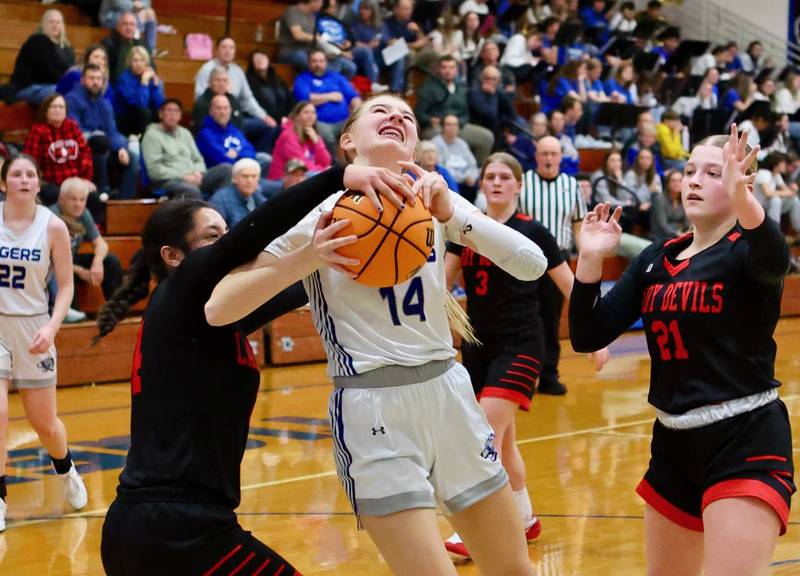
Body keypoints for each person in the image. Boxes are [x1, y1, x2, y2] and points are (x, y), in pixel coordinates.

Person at [205, 94, 550, 576]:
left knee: (515, 570)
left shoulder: (433, 198)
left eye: (408, 115)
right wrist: (308, 259)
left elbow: (533, 265)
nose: (397, 117)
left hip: (448, 393)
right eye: (381, 111)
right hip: (372, 407)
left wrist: (454, 215)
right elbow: (219, 309)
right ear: (348, 140)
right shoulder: (319, 212)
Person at [97, 156, 416, 574]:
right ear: (174, 256)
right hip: (179, 530)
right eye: (213, 236)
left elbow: (296, 286)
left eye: (226, 231)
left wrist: (369, 246)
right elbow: (258, 231)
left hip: (156, 526)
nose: (227, 242)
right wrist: (339, 176)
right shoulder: (182, 293)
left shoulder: (211, 317)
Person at [570, 125, 795, 575]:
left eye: (713, 173)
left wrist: (745, 201)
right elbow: (588, 334)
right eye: (689, 170)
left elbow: (776, 258)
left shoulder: (746, 253)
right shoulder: (656, 258)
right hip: (673, 443)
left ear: (740, 182)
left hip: (744, 436)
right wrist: (590, 260)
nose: (693, 180)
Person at [443, 152, 609, 558]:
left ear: (519, 185)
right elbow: (439, 286)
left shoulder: (533, 231)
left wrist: (597, 335)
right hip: (477, 347)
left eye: (505, 177)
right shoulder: (464, 230)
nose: (497, 182)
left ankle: (474, 532)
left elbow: (571, 285)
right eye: (490, 176)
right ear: (482, 184)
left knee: (482, 436)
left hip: (522, 344)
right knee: (504, 443)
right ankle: (525, 518)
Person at [0, 154, 88, 532]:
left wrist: (52, 327)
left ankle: (65, 468)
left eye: (30, 174)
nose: (23, 179)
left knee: (46, 425)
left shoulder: (52, 227)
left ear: (38, 184)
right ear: (4, 183)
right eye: (15, 174)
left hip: (35, 327)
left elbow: (66, 285)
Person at [519, 136, 587, 395]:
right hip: (524, 260)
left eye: (553, 154)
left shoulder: (572, 185)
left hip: (558, 260)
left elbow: (578, 223)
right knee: (525, 318)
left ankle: (549, 375)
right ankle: (524, 376)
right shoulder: (523, 183)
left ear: (561, 157)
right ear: (536, 155)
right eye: (544, 153)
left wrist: (583, 255)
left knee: (551, 319)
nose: (548, 158)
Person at [66, 64, 138, 201]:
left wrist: (121, 147)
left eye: (99, 79)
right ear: (82, 80)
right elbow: (74, 130)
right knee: (100, 141)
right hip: (81, 152)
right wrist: (98, 136)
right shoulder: (72, 99)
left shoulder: (105, 103)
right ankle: (103, 190)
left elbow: (112, 131)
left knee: (132, 156)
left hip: (104, 148)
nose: (95, 82)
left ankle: (124, 201)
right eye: (91, 78)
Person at [50, 177, 123, 311]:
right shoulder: (51, 217)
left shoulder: (83, 213)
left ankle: (114, 310)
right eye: (73, 199)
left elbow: (101, 244)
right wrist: (80, 271)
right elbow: (51, 260)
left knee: (111, 261)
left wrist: (97, 262)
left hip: (72, 260)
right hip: (54, 267)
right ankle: (74, 319)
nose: (78, 204)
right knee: (62, 273)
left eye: (82, 200)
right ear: (61, 199)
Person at [194, 38, 277, 152]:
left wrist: (263, 116)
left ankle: (258, 160)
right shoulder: (207, 69)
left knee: (268, 127)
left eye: (231, 48)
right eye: (224, 47)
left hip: (236, 115)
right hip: (215, 119)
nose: (227, 51)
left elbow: (247, 98)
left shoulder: (237, 71)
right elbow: (200, 97)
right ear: (216, 50)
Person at [142, 98, 231, 199]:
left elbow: (198, 159)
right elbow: (154, 170)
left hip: (194, 176)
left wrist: (198, 173)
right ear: (161, 114)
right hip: (169, 181)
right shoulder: (152, 135)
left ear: (180, 115)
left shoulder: (185, 133)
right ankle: (200, 213)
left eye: (176, 111)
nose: (172, 114)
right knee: (191, 190)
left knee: (227, 170)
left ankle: (218, 208)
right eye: (169, 110)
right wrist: (183, 176)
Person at [416, 55, 495, 164]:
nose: (448, 71)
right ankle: (438, 173)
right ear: (439, 69)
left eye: (451, 67)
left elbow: (466, 113)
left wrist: (459, 124)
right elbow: (419, 114)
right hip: (438, 127)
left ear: (456, 70)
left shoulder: (462, 87)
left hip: (458, 126)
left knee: (487, 137)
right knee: (432, 139)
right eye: (444, 67)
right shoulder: (429, 87)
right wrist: (431, 120)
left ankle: (477, 172)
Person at [23, 95, 93, 208]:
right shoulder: (38, 131)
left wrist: (85, 179)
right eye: (54, 106)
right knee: (53, 194)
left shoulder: (72, 126)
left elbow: (85, 153)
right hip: (51, 182)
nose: (58, 110)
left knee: (93, 195)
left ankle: (95, 225)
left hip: (76, 180)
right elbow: (30, 162)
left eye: (61, 107)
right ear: (46, 110)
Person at [292, 49, 362, 155]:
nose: (317, 64)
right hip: (319, 121)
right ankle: (333, 165)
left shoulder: (337, 78)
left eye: (321, 61)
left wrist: (358, 111)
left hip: (343, 120)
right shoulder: (302, 79)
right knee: (326, 136)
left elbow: (353, 97)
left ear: (326, 62)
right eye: (314, 61)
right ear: (309, 63)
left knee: (359, 129)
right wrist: (330, 96)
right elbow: (306, 100)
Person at [10, 9, 75, 106]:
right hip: (30, 87)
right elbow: (47, 71)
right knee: (65, 93)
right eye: (51, 22)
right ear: (43, 24)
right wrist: (67, 79)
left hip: (50, 86)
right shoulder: (38, 40)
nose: (55, 25)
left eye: (58, 22)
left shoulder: (67, 48)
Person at [267, 101, 332, 181]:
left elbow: (325, 162)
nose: (310, 115)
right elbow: (300, 165)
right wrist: (323, 171)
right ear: (296, 116)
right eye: (306, 112)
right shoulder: (288, 136)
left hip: (304, 175)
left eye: (313, 112)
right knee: (320, 177)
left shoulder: (313, 134)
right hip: (282, 178)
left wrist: (317, 142)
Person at [113, 46, 165, 136]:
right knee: (145, 113)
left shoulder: (149, 76)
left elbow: (160, 105)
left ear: (147, 63)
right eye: (135, 60)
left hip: (143, 115)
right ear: (130, 63)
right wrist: (144, 82)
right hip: (125, 118)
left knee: (163, 113)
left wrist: (156, 86)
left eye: (142, 60)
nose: (139, 64)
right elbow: (140, 104)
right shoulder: (124, 79)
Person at [196, 95, 256, 170]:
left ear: (230, 110)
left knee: (263, 158)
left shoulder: (235, 130)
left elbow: (251, 151)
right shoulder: (205, 135)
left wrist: (236, 154)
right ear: (211, 111)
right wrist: (241, 157)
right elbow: (221, 159)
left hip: (243, 170)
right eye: (218, 108)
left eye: (226, 108)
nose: (223, 112)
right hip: (221, 175)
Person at [208, 158, 267, 228]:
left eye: (254, 176)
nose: (250, 181)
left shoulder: (257, 196)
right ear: (234, 178)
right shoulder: (220, 200)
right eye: (245, 176)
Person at [432, 115, 480, 202]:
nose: (452, 128)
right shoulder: (436, 143)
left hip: (467, 182)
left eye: (455, 125)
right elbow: (442, 168)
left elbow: (472, 164)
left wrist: (471, 176)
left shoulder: (462, 143)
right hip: (450, 184)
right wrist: (464, 178)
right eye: (449, 124)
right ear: (442, 127)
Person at [753, 152, 800, 232]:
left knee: (794, 200)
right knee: (776, 199)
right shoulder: (763, 173)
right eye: (783, 162)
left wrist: (790, 192)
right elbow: (767, 193)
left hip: (770, 206)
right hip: (759, 207)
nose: (785, 165)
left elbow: (788, 191)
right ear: (776, 164)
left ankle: (798, 229)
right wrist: (786, 193)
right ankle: (775, 231)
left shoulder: (776, 174)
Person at [246, 50, 295, 125]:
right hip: (266, 119)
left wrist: (289, 116)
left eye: (263, 58)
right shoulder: (249, 81)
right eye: (257, 59)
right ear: (252, 63)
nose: (260, 60)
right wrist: (280, 118)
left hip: (286, 118)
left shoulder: (277, 79)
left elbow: (289, 99)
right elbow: (259, 105)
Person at [101, 11, 149, 83]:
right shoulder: (108, 44)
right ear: (117, 27)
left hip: (137, 84)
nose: (129, 27)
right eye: (125, 24)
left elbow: (151, 66)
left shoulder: (142, 45)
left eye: (132, 24)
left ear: (136, 28)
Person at [277, 0, 322, 71]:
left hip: (307, 51)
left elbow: (315, 36)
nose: (321, 5)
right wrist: (317, 38)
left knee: (340, 62)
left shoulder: (311, 16)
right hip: (290, 51)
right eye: (320, 2)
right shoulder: (292, 11)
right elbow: (297, 35)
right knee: (311, 61)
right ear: (312, 1)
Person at [649, 169, 689, 240]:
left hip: (677, 237)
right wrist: (677, 231)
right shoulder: (659, 199)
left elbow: (687, 223)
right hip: (659, 238)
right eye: (673, 181)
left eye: (680, 181)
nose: (677, 183)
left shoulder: (684, 200)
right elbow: (662, 226)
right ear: (667, 184)